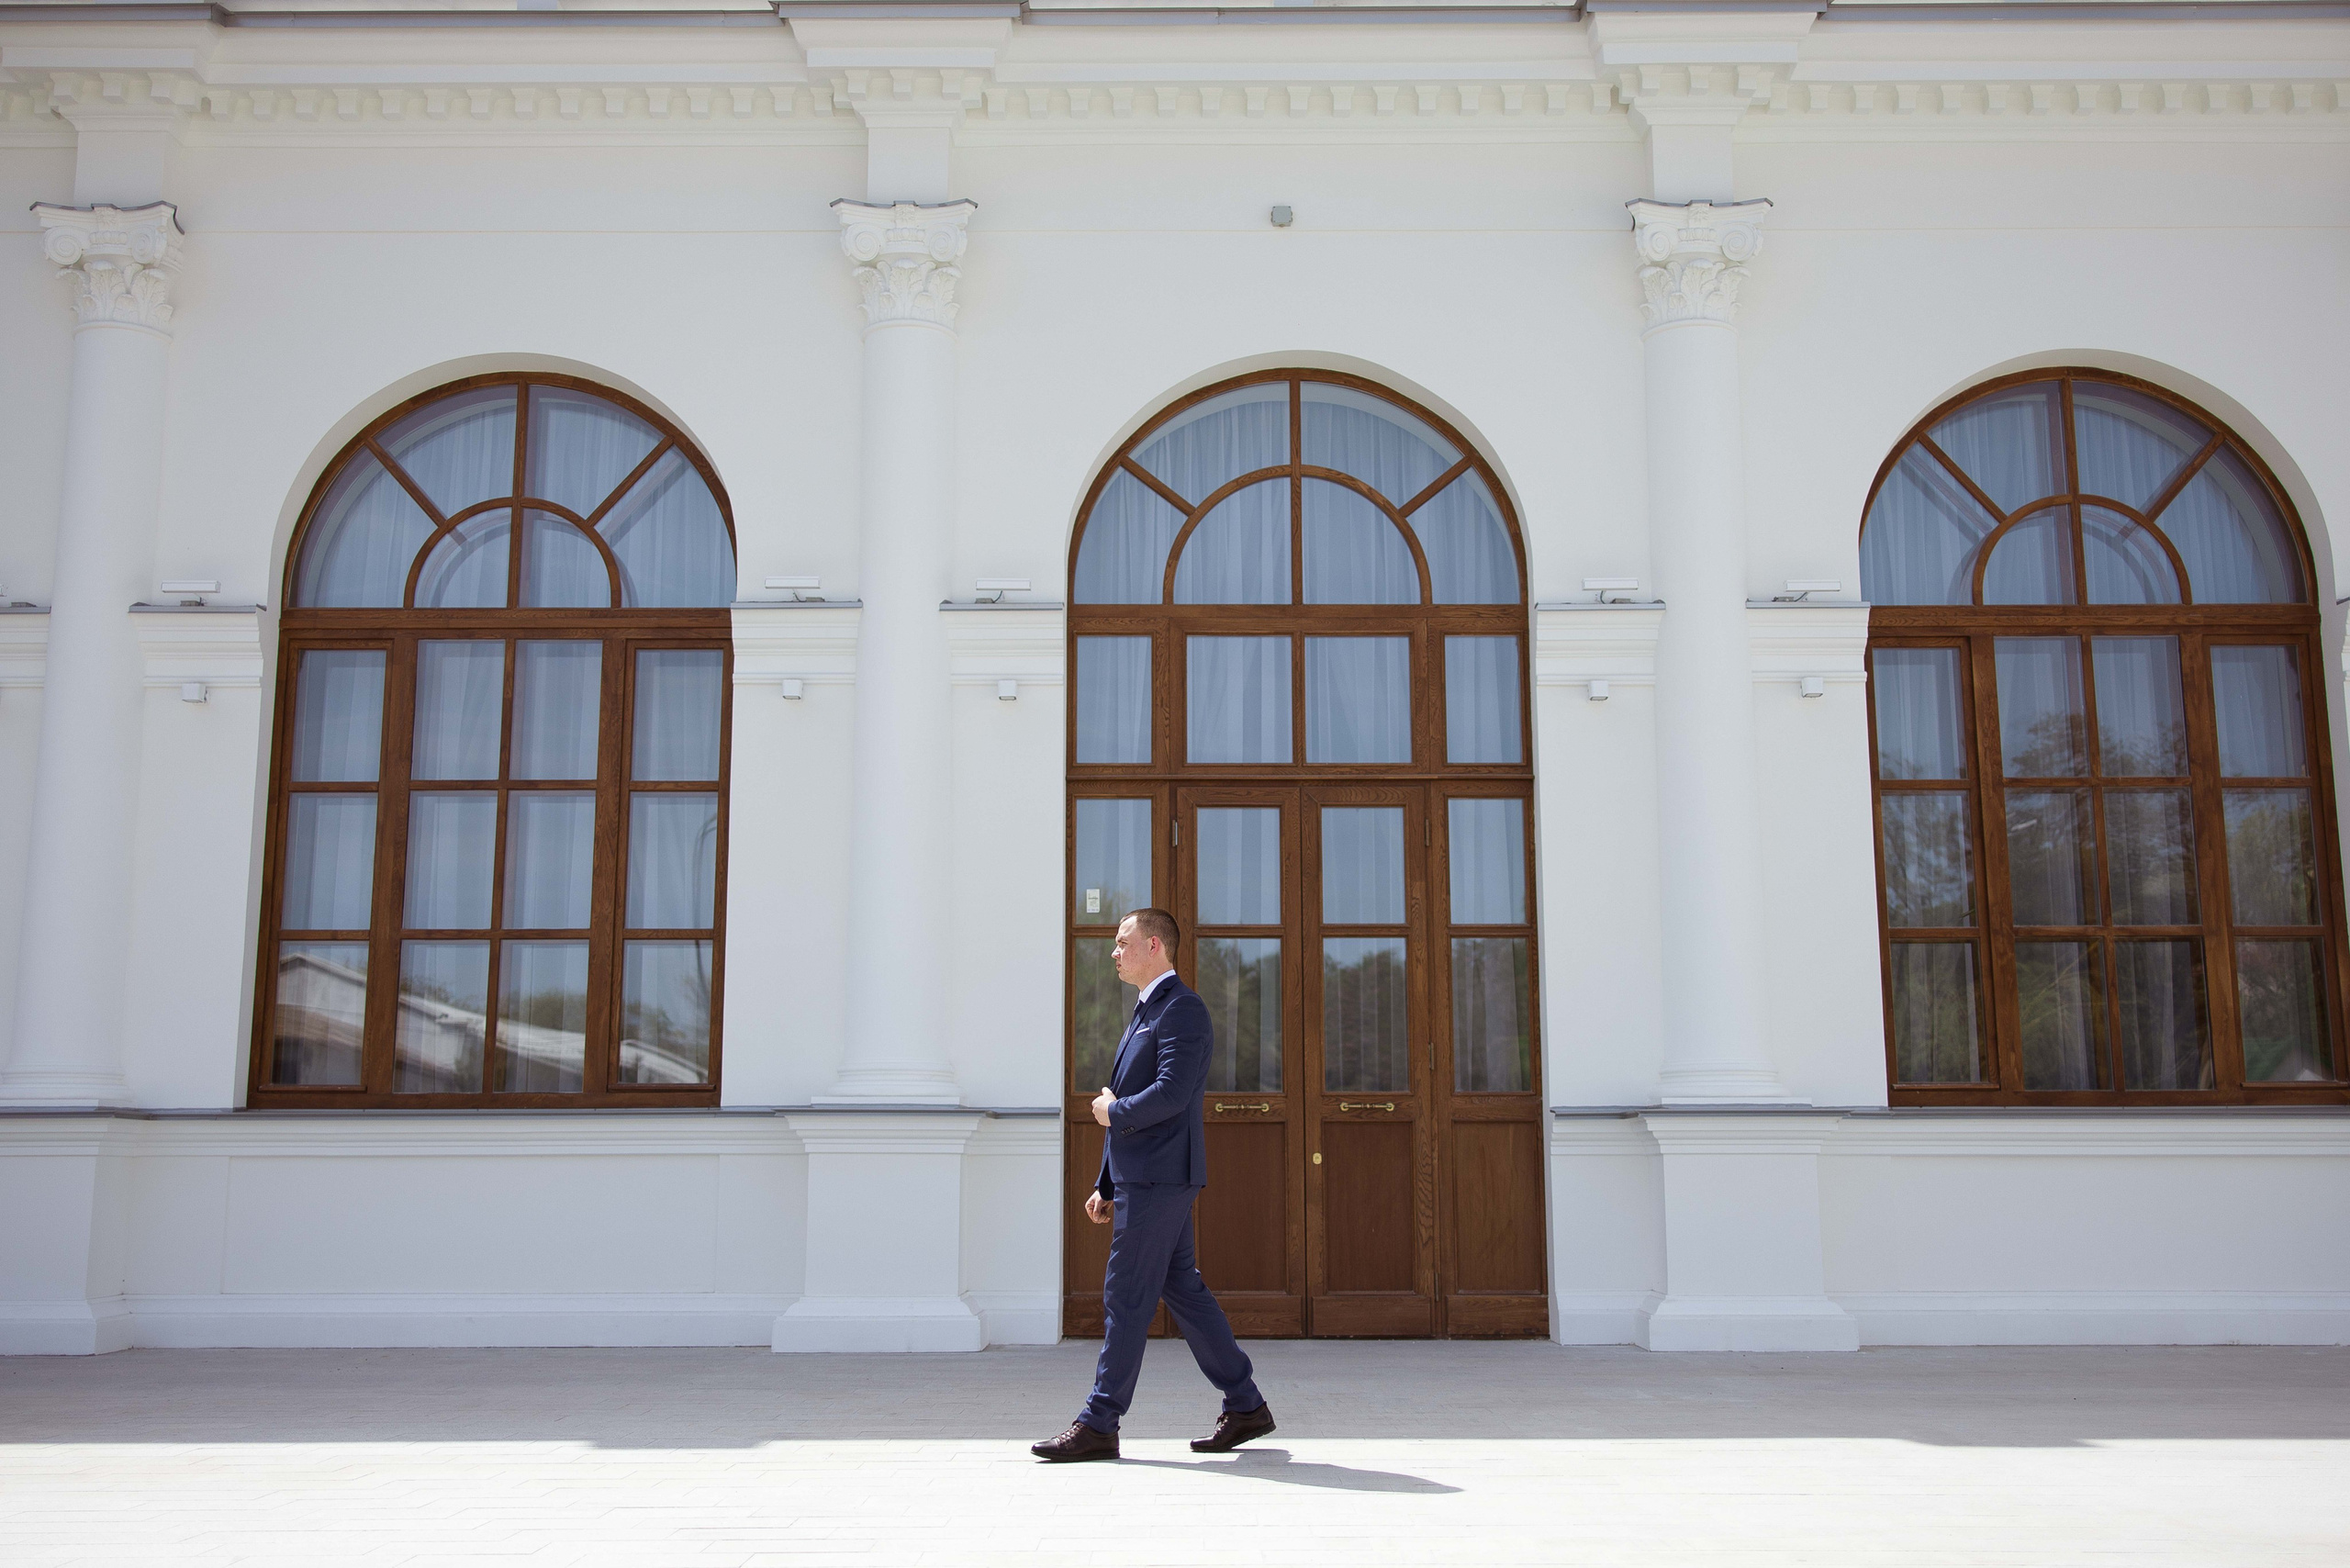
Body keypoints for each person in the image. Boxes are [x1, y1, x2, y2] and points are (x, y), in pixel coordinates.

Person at [1031, 907, 1275, 1463]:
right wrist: (1107, 1181)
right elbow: (1129, 1100)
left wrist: (1111, 1115)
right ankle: (1246, 1405)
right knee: (1182, 1289)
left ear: (1155, 947)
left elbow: (1169, 1095)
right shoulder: (1146, 1010)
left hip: (1162, 1177)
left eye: (1123, 942)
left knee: (1125, 1296)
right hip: (1143, 1177)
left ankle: (1099, 1422)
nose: (1114, 952)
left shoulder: (1182, 1010)